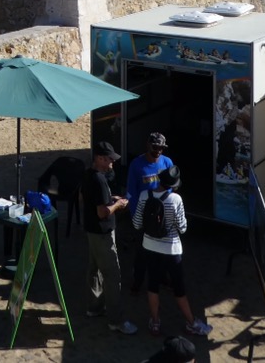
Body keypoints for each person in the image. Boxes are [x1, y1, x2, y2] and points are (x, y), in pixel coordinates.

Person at [132, 165, 212, 338]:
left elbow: (137, 223)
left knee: (152, 285)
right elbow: (182, 228)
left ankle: (155, 322)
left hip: (149, 246)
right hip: (171, 249)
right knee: (178, 288)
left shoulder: (145, 195)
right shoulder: (176, 199)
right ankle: (191, 323)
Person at [80, 140, 138, 335]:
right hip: (103, 234)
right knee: (113, 276)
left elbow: (86, 199)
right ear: (99, 159)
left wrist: (110, 199)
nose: (112, 162)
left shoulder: (88, 175)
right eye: (109, 159)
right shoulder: (99, 180)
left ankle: (94, 307)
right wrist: (118, 205)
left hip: (91, 232)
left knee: (94, 269)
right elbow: (103, 212)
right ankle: (116, 320)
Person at [125, 132, 174, 294]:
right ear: (148, 145)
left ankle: (162, 277)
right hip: (144, 216)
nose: (158, 151)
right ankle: (138, 281)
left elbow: (171, 189)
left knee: (163, 250)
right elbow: (131, 192)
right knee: (142, 252)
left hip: (162, 216)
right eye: (155, 147)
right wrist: (136, 217)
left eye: (161, 148)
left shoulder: (167, 162)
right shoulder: (136, 165)